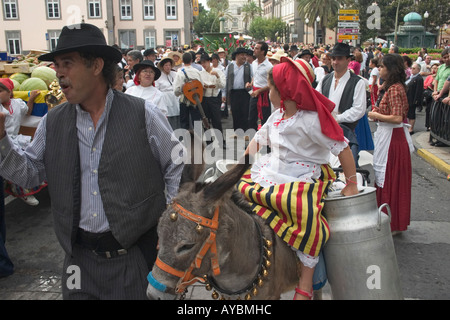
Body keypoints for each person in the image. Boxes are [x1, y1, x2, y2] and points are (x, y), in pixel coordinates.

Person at [0, 23, 184, 299]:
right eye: (57, 64)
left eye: (68, 63)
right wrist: (2, 140)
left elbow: (175, 163)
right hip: (79, 262)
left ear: (96, 66)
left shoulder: (142, 114)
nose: (59, 72)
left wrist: (170, 225)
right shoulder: (54, 121)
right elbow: (30, 174)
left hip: (134, 256)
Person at [238, 57, 358, 300]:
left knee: (304, 212)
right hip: (274, 170)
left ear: (284, 90)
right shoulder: (277, 116)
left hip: (305, 176)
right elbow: (258, 141)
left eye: (271, 87)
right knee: (242, 191)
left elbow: (342, 148)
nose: (268, 92)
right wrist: (238, 167)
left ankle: (306, 279)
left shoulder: (312, 120)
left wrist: (352, 183)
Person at [368, 54, 414, 234]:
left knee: (389, 179)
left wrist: (376, 115)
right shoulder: (393, 87)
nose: (379, 69)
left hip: (392, 138)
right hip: (388, 136)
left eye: (382, 66)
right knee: (387, 178)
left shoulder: (395, 89)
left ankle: (391, 222)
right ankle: (389, 219)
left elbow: (396, 117)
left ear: (391, 68)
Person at [316, 43, 367, 167]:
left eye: (339, 59)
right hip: (324, 131)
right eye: (333, 58)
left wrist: (338, 118)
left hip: (345, 132)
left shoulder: (358, 82)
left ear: (348, 60)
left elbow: (359, 109)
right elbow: (316, 100)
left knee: (348, 167)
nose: (335, 62)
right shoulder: (325, 80)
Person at [0, 78, 44, 206]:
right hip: (3, 140)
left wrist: (31, 99)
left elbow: (27, 111)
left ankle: (26, 187)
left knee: (24, 160)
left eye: (0, 91)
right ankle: (17, 189)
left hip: (16, 139)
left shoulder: (17, 103)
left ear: (10, 92)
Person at [199, 53, 226, 148]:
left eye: (205, 62)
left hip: (214, 98)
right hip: (205, 98)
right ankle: (209, 142)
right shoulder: (201, 73)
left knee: (217, 121)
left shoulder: (218, 71)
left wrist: (217, 76)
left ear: (209, 62)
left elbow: (222, 85)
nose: (203, 65)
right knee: (205, 121)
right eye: (202, 63)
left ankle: (221, 141)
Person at [222, 47, 252, 132]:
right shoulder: (230, 66)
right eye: (242, 55)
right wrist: (224, 94)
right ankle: (237, 131)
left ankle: (245, 131)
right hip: (234, 93)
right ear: (237, 55)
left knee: (245, 113)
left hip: (245, 93)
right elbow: (226, 80)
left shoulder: (248, 66)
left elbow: (253, 78)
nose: (244, 57)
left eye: (245, 55)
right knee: (235, 113)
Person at [173, 52, 203, 129]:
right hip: (195, 99)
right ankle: (198, 140)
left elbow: (176, 90)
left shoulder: (180, 73)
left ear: (182, 61)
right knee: (197, 122)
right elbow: (201, 85)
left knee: (184, 122)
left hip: (184, 100)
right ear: (191, 60)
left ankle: (185, 140)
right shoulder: (196, 71)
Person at [247, 41, 273, 131]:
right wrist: (251, 83)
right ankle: (253, 139)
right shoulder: (254, 63)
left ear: (262, 51)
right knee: (251, 118)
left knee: (265, 119)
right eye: (254, 48)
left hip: (264, 95)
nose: (254, 50)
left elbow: (271, 84)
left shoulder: (269, 66)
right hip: (254, 94)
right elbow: (255, 76)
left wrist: (260, 91)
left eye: (257, 48)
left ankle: (265, 141)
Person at [156, 57, 180, 130]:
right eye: (166, 65)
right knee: (168, 117)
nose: (168, 67)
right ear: (163, 66)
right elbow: (157, 89)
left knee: (177, 116)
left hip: (175, 97)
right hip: (165, 98)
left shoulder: (175, 74)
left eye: (169, 65)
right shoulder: (159, 76)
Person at [405, 63, 424, 134]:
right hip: (407, 97)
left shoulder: (419, 78)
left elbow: (418, 90)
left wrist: (416, 100)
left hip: (412, 98)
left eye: (414, 68)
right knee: (408, 113)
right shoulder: (411, 77)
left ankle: (411, 128)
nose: (412, 70)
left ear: (418, 70)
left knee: (411, 113)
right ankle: (408, 126)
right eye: (411, 68)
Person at [423, 63, 439, 130]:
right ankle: (428, 125)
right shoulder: (429, 77)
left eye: (435, 68)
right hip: (429, 94)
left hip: (436, 94)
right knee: (428, 110)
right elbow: (425, 85)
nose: (434, 70)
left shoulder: (438, 77)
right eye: (433, 68)